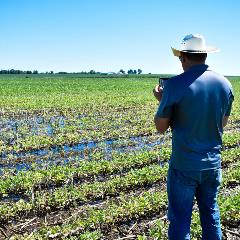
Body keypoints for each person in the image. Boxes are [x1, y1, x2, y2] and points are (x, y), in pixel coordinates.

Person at [153, 34, 234, 240]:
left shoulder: (174, 85)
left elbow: (161, 126)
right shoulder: (225, 85)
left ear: (183, 57)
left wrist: (162, 100)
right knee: (211, 214)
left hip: (184, 165)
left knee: (180, 220)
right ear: (205, 55)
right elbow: (221, 124)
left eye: (180, 58)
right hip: (212, 165)